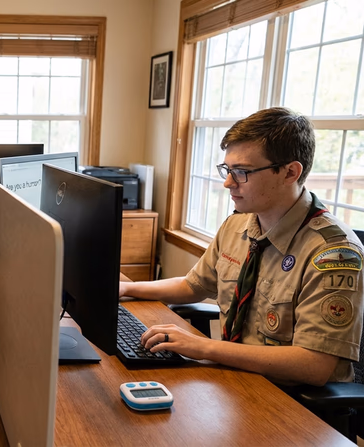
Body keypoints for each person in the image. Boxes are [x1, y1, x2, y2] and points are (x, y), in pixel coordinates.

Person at [121, 107, 363, 386]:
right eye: (227, 169)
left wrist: (202, 347)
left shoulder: (333, 253)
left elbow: (314, 366)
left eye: (241, 172)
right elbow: (194, 286)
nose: (227, 182)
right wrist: (128, 288)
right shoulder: (238, 224)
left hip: (293, 403)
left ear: (289, 173)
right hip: (233, 379)